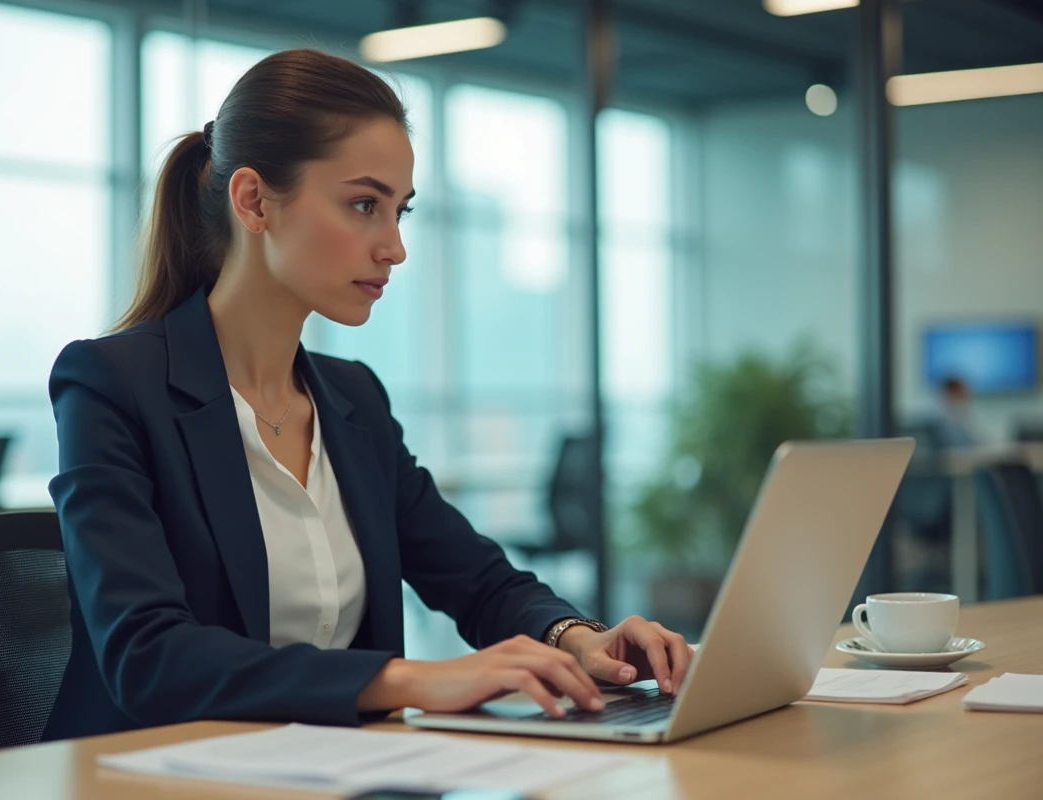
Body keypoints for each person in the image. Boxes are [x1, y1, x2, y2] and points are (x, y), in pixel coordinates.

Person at [43, 48, 691, 742]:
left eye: (399, 211)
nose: (394, 248)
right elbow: (148, 657)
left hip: (335, 771)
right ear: (254, 201)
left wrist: (577, 638)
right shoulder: (111, 385)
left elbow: (476, 578)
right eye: (364, 205)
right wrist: (413, 680)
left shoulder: (353, 401)